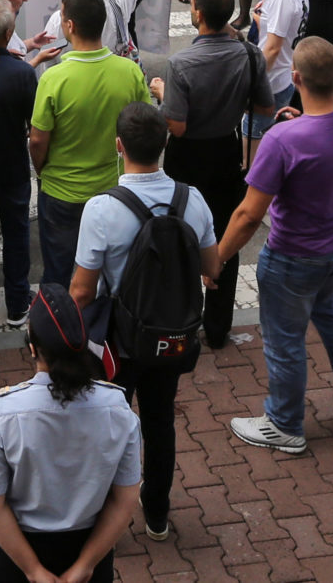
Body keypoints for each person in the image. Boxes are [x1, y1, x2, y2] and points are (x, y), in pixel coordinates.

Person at [217, 36, 333, 453]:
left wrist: (218, 259)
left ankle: (284, 424)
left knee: (284, 339)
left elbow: (248, 214)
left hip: (294, 255)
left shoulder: (282, 141)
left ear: (295, 77)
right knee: (331, 312)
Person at [71, 101, 218, 535]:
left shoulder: (101, 209)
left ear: (119, 146)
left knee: (108, 420)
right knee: (160, 420)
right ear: (165, 143)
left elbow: (81, 290)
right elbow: (212, 266)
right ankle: (156, 512)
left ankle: (100, 512)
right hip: (171, 336)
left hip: (120, 339)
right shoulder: (193, 200)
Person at [0, 285, 143, 583]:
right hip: (89, 547)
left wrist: (34, 572)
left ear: (33, 348)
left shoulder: (4, 412)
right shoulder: (117, 408)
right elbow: (125, 500)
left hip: (18, 551)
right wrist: (85, 566)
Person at [159, 0, 277, 346]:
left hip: (187, 157)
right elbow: (264, 108)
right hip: (226, 151)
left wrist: (162, 93)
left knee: (179, 237)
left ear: (197, 15)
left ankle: (179, 317)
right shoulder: (249, 53)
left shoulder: (181, 64)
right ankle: (217, 326)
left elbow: (176, 125)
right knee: (225, 236)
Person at [29, 0, 154, 294]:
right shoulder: (129, 71)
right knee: (113, 272)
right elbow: (144, 125)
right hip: (115, 190)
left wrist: (42, 170)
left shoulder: (54, 78)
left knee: (57, 272)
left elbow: (37, 141)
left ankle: (56, 329)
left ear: (69, 26)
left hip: (61, 191)